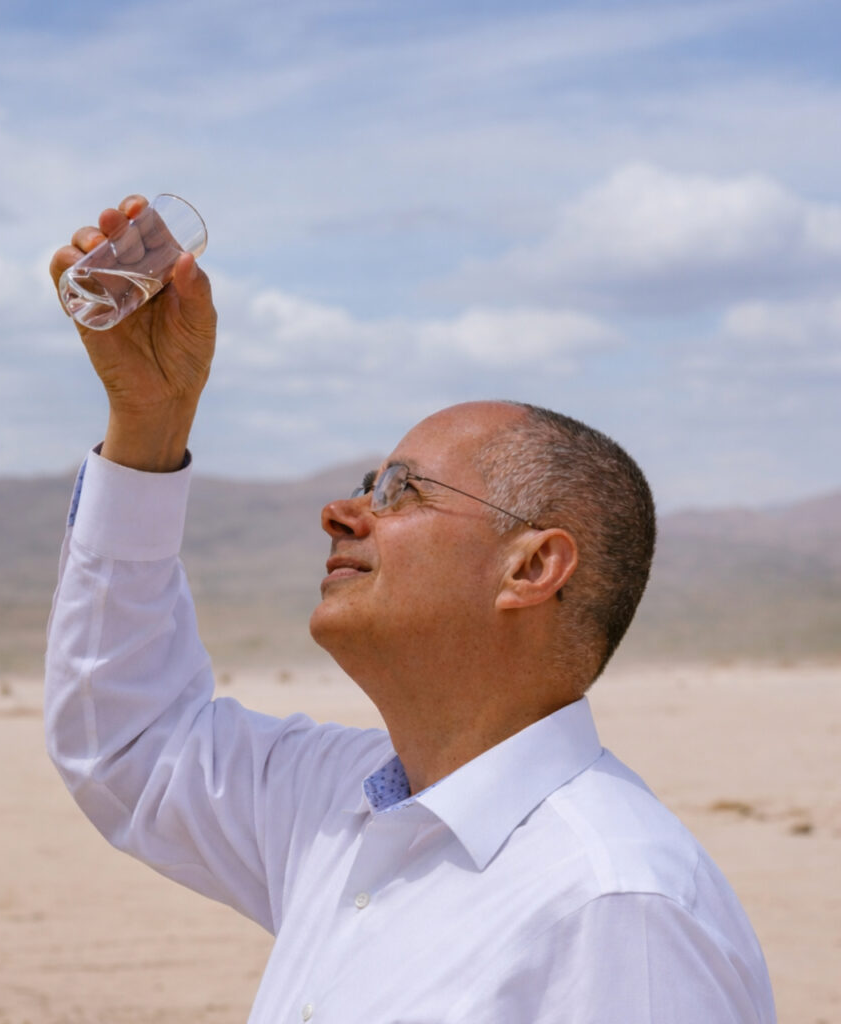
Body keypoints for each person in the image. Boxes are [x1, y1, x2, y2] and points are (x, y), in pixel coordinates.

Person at [44, 194, 777, 1023]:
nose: (341, 512)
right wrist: (150, 421)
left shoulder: (615, 903)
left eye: (400, 491)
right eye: (366, 485)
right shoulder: (340, 805)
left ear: (531, 566)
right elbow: (131, 745)